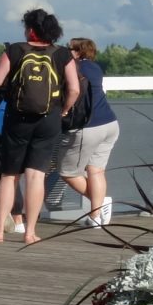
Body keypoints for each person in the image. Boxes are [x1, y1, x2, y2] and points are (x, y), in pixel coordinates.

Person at [0, 8, 81, 245]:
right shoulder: (62, 54)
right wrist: (63, 109)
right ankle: (30, 233)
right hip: (49, 119)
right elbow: (74, 89)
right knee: (35, 176)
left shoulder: (15, 50)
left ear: (30, 30)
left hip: (17, 119)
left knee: (9, 175)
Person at [59, 37, 120, 226]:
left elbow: (73, 91)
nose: (66, 51)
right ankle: (95, 218)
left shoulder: (74, 68)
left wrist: (63, 110)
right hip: (110, 123)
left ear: (77, 51)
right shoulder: (95, 68)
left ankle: (98, 206)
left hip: (88, 126)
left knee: (68, 172)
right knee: (96, 171)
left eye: (69, 48)